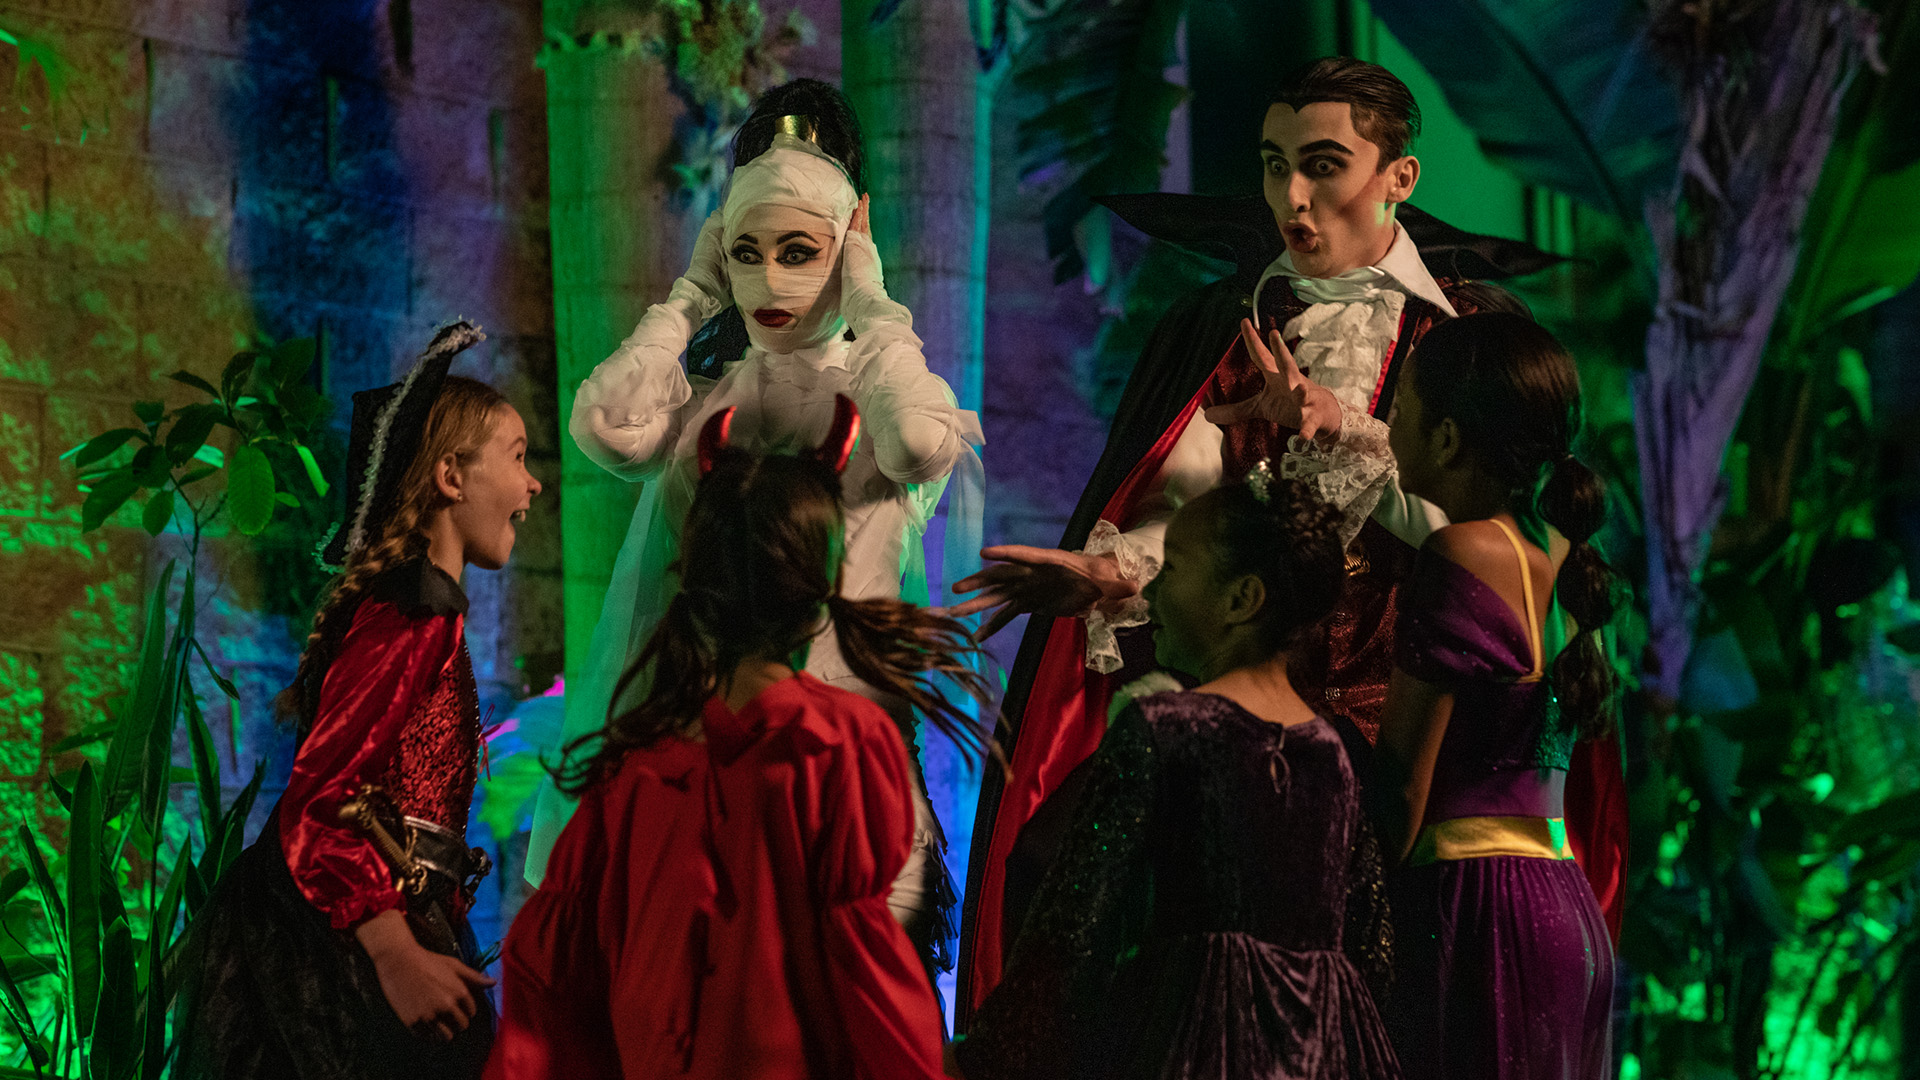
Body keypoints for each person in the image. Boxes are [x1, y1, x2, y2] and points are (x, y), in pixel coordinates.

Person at [949, 56, 1622, 1025]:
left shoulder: (1473, 337)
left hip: (1421, 739)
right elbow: (1177, 501)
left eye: (1323, 165)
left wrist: (1337, 426)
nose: (1293, 199)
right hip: (1252, 725)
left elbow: (1492, 536)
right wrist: (1117, 570)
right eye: (1273, 166)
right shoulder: (1222, 325)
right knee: (1079, 883)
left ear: (1400, 177)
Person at [530, 79, 982, 984]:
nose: (770, 280)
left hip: (839, 769)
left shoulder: (882, 391)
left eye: (799, 251)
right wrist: (692, 295)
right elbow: (603, 427)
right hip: (699, 756)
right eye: (747, 252)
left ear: (847, 242)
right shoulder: (703, 403)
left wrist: (872, 298)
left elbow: (922, 441)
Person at [486, 399, 989, 1079]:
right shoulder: (843, 742)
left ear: (695, 585)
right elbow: (864, 970)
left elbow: (551, 984)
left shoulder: (630, 770)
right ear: (819, 590)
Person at [176, 322, 543, 1079]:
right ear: (450, 475)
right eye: (517, 457)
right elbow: (323, 797)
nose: (533, 483)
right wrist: (393, 948)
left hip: (387, 913)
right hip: (339, 942)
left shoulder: (425, 613)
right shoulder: (411, 613)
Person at [956, 473, 1399, 1080]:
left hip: (1185, 1045)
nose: (1152, 593)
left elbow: (1069, 928)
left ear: (1242, 599)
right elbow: (1368, 946)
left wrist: (990, 1054)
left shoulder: (1166, 728)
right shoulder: (1335, 753)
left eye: (1172, 570)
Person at [1374, 312, 1617, 1078]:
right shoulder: (1577, 561)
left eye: (1402, 408)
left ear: (1446, 439)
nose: (1389, 424)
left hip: (1478, 908)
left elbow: (1401, 789)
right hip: (1564, 905)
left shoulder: (1459, 553)